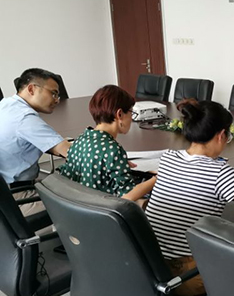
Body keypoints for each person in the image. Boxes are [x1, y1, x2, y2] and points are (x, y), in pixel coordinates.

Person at [145, 99, 234, 296]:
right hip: (186, 277)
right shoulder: (220, 173)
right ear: (220, 135)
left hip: (150, 266)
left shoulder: (168, 158)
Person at [59, 85, 156, 202]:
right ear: (119, 114)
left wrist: (118, 163)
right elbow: (128, 195)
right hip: (101, 208)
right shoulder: (113, 149)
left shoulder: (80, 139)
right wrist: (157, 179)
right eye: (131, 113)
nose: (131, 118)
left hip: (78, 205)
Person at [0, 68, 70, 218]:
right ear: (31, 89)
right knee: (80, 203)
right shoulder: (25, 118)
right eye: (53, 93)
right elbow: (70, 152)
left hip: (7, 188)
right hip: (17, 197)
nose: (57, 100)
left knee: (63, 185)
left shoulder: (6, 104)